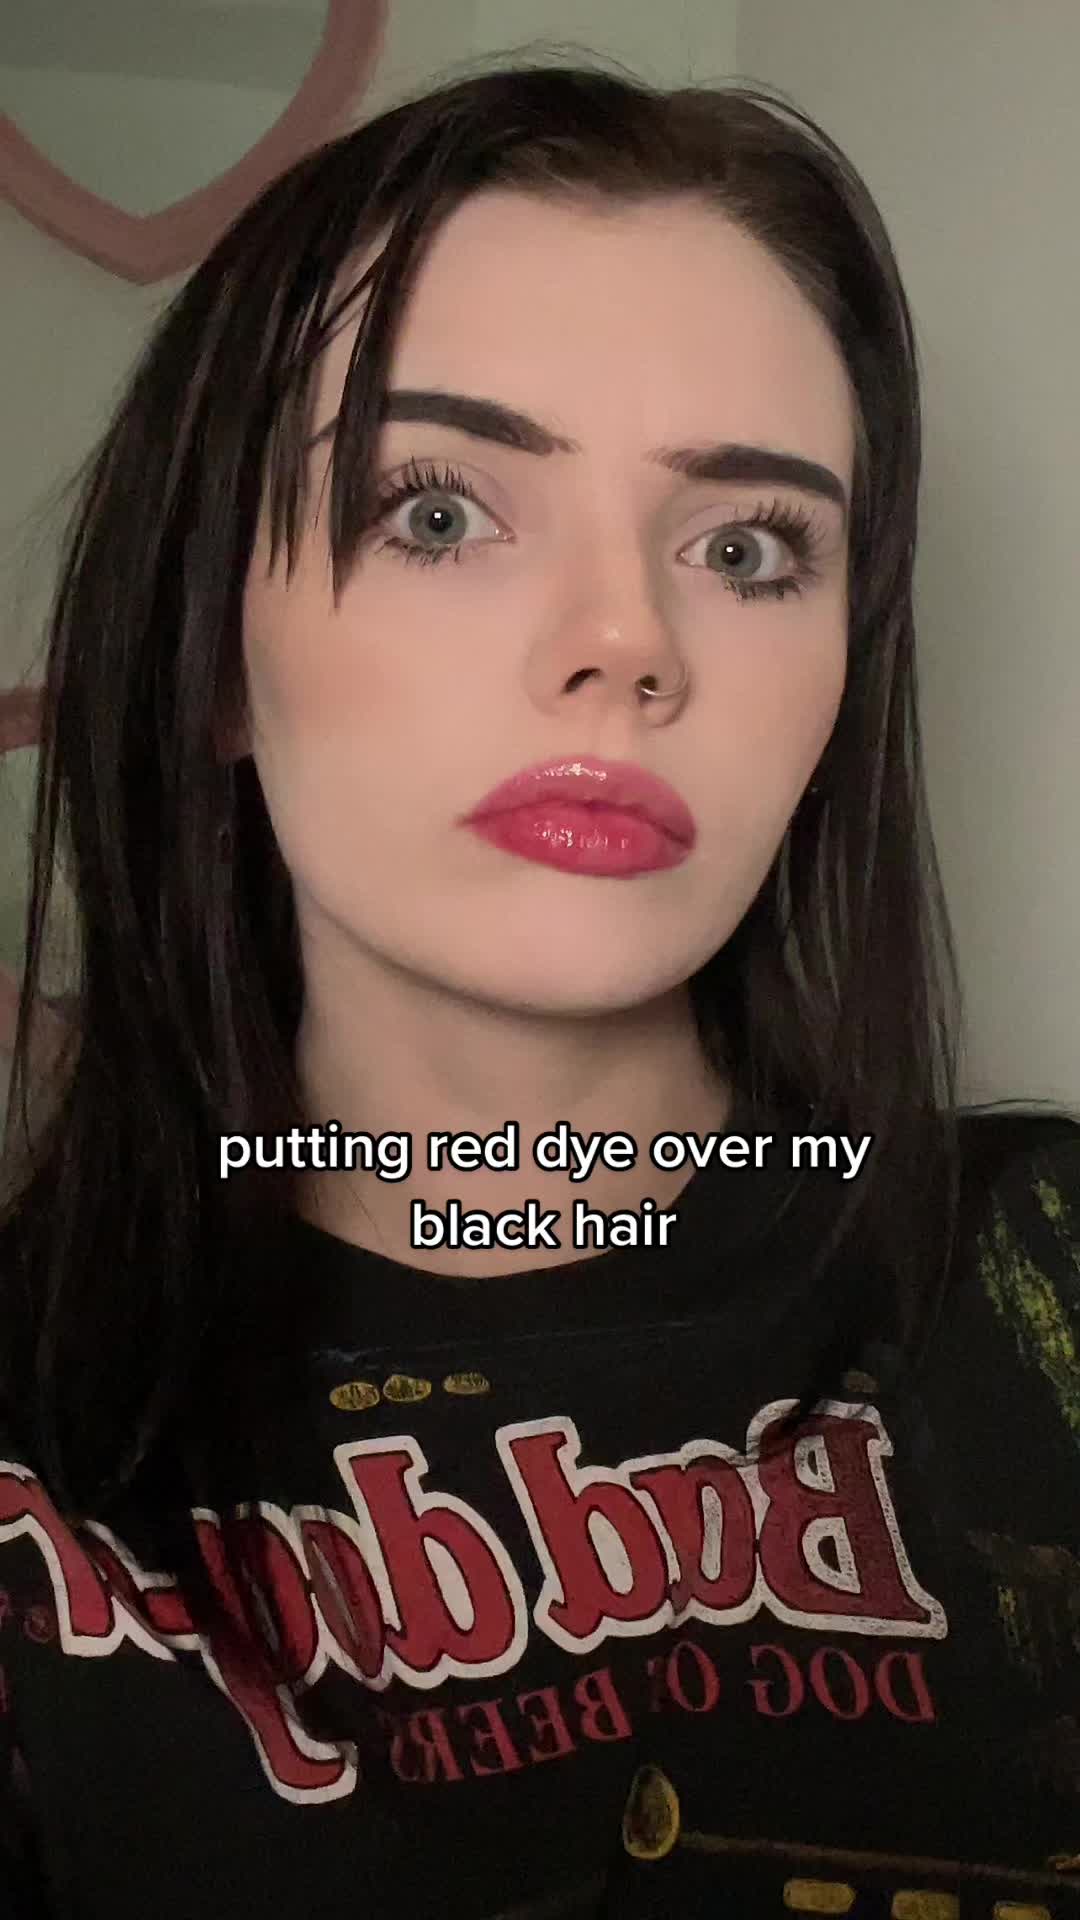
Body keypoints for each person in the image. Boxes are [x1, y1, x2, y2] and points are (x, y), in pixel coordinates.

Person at [0, 58, 1077, 1920]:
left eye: (746, 547)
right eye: (437, 511)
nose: (627, 644)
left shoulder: (1048, 1275)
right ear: (214, 656)